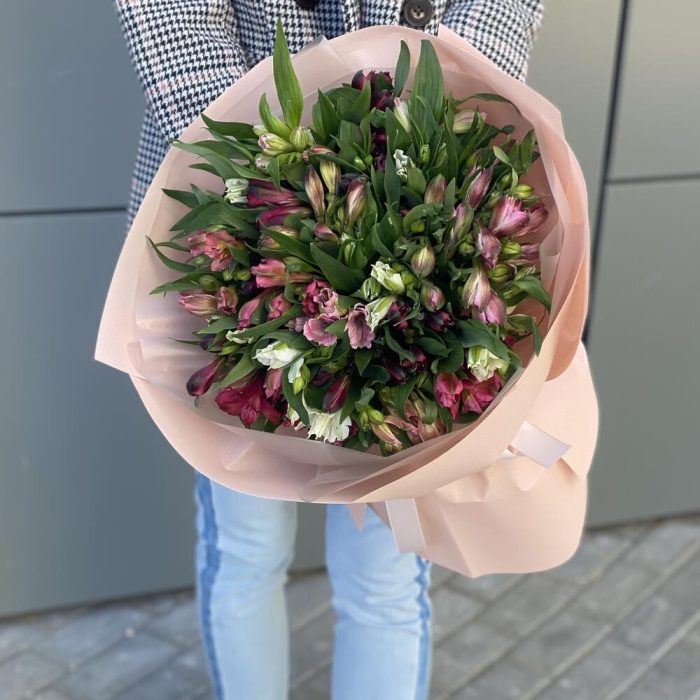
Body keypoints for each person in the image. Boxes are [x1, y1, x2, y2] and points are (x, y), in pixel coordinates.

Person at [114, 2, 544, 698]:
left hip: (432, 197)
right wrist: (274, 175)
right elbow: (173, 21)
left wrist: (449, 102)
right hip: (231, 218)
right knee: (248, 548)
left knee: (385, 567)